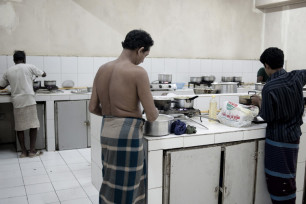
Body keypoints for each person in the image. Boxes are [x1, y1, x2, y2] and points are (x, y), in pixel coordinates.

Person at [89, 29, 158, 204]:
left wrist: (113, 116)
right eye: (145, 55)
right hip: (127, 136)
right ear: (140, 49)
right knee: (129, 186)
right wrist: (155, 112)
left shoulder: (102, 69)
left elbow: (92, 107)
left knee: (110, 181)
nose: (143, 60)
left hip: (107, 131)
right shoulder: (138, 72)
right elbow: (151, 115)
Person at [251, 47, 305, 204]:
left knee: (278, 184)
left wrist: (259, 102)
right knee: (289, 179)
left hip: (277, 142)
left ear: (267, 66)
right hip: (294, 139)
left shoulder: (269, 87)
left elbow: (266, 116)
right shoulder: (297, 76)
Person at [0, 50, 46, 158]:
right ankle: (32, 151)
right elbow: (43, 74)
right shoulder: (29, 67)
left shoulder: (8, 71)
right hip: (29, 99)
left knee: (20, 127)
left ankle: (23, 152)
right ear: (24, 59)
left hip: (17, 101)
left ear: (14, 60)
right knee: (33, 125)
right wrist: (42, 73)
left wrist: (11, 83)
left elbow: (1, 86)